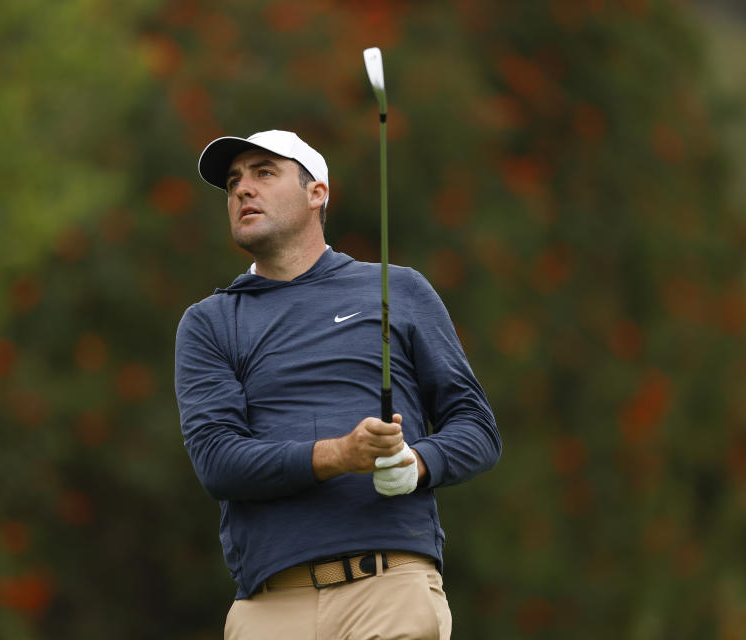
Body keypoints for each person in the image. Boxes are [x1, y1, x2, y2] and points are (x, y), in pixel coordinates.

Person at [174, 130, 501, 640]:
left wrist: (416, 462)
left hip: (387, 589)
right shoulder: (211, 322)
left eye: (264, 172)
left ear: (316, 193)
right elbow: (218, 462)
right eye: (234, 181)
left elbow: (476, 428)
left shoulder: (399, 288)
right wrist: (340, 454)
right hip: (268, 607)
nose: (242, 190)